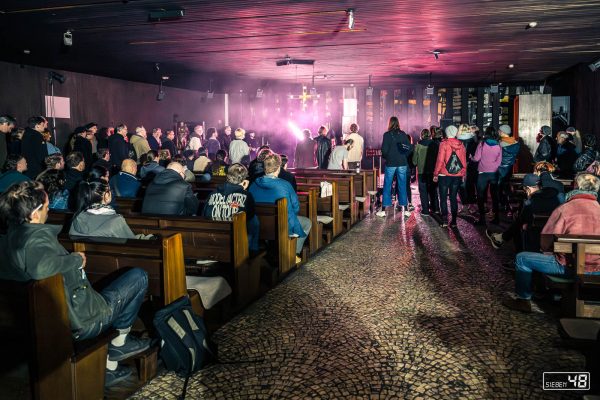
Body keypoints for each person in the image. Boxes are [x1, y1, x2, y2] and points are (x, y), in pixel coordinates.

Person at [0, 181, 150, 386]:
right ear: (34, 214)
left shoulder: (9, 237)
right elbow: (41, 268)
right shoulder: (36, 236)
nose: (49, 209)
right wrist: (76, 259)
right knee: (139, 276)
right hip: (82, 320)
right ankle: (119, 343)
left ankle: (109, 363)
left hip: (38, 320)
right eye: (46, 207)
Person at [502, 173, 600, 313]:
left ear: (576, 186)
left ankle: (523, 300)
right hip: (598, 268)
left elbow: (545, 243)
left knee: (522, 258)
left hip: (568, 267)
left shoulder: (565, 209)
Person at [249, 153, 311, 261]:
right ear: (278, 168)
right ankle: (293, 253)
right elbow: (296, 208)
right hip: (282, 225)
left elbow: (249, 205)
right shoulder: (285, 184)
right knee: (307, 223)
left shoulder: (254, 184)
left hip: (258, 225)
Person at [486, 173, 560, 253]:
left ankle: (511, 247)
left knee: (518, 223)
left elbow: (522, 220)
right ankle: (500, 238)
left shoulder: (530, 203)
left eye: (524, 189)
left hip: (535, 238)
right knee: (519, 223)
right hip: (554, 233)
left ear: (528, 188)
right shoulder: (555, 198)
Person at [202, 163, 259, 252]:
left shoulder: (212, 193)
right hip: (235, 240)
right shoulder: (246, 195)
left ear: (228, 175)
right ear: (244, 179)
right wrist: (242, 191)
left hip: (213, 237)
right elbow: (250, 216)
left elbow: (204, 213)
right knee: (254, 220)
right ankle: (252, 251)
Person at [70, 180, 135, 239]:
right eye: (110, 190)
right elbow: (132, 243)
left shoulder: (76, 219)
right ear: (106, 196)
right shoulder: (116, 221)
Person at [376, 116, 413, 218]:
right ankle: (405, 209)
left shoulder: (387, 135)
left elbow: (384, 150)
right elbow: (409, 148)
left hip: (391, 163)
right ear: (398, 123)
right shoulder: (403, 134)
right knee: (402, 185)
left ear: (390, 123)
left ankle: (383, 210)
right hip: (402, 163)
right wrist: (403, 156)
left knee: (387, 185)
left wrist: (387, 157)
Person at [433, 125, 467, 227]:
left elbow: (440, 160)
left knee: (443, 198)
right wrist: (463, 173)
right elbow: (463, 161)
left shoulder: (443, 144)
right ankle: (454, 222)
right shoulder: (461, 145)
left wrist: (435, 173)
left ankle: (444, 220)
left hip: (444, 174)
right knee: (453, 198)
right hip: (456, 175)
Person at [472, 126, 501, 225]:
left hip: (482, 173)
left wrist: (471, 157)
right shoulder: (499, 145)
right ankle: (496, 218)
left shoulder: (482, 143)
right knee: (494, 196)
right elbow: (499, 161)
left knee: (480, 196)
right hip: (494, 173)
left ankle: (482, 219)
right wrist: (494, 167)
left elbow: (476, 158)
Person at [413, 128, 439, 216]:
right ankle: (436, 209)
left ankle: (426, 210)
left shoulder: (418, 146)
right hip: (432, 171)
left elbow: (414, 161)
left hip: (422, 172)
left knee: (423, 191)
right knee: (433, 190)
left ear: (421, 135)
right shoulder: (434, 144)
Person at [497, 124, 519, 214]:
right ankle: (508, 206)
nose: (498, 132)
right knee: (506, 187)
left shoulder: (500, 143)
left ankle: (501, 205)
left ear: (502, 132)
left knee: (498, 187)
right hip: (509, 167)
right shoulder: (515, 142)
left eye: (499, 131)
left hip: (500, 167)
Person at [457, 123, 478, 213]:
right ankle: (471, 205)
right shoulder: (473, 140)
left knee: (462, 185)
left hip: (461, 165)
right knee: (470, 185)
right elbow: (474, 154)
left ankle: (465, 205)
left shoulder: (458, 140)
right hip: (471, 166)